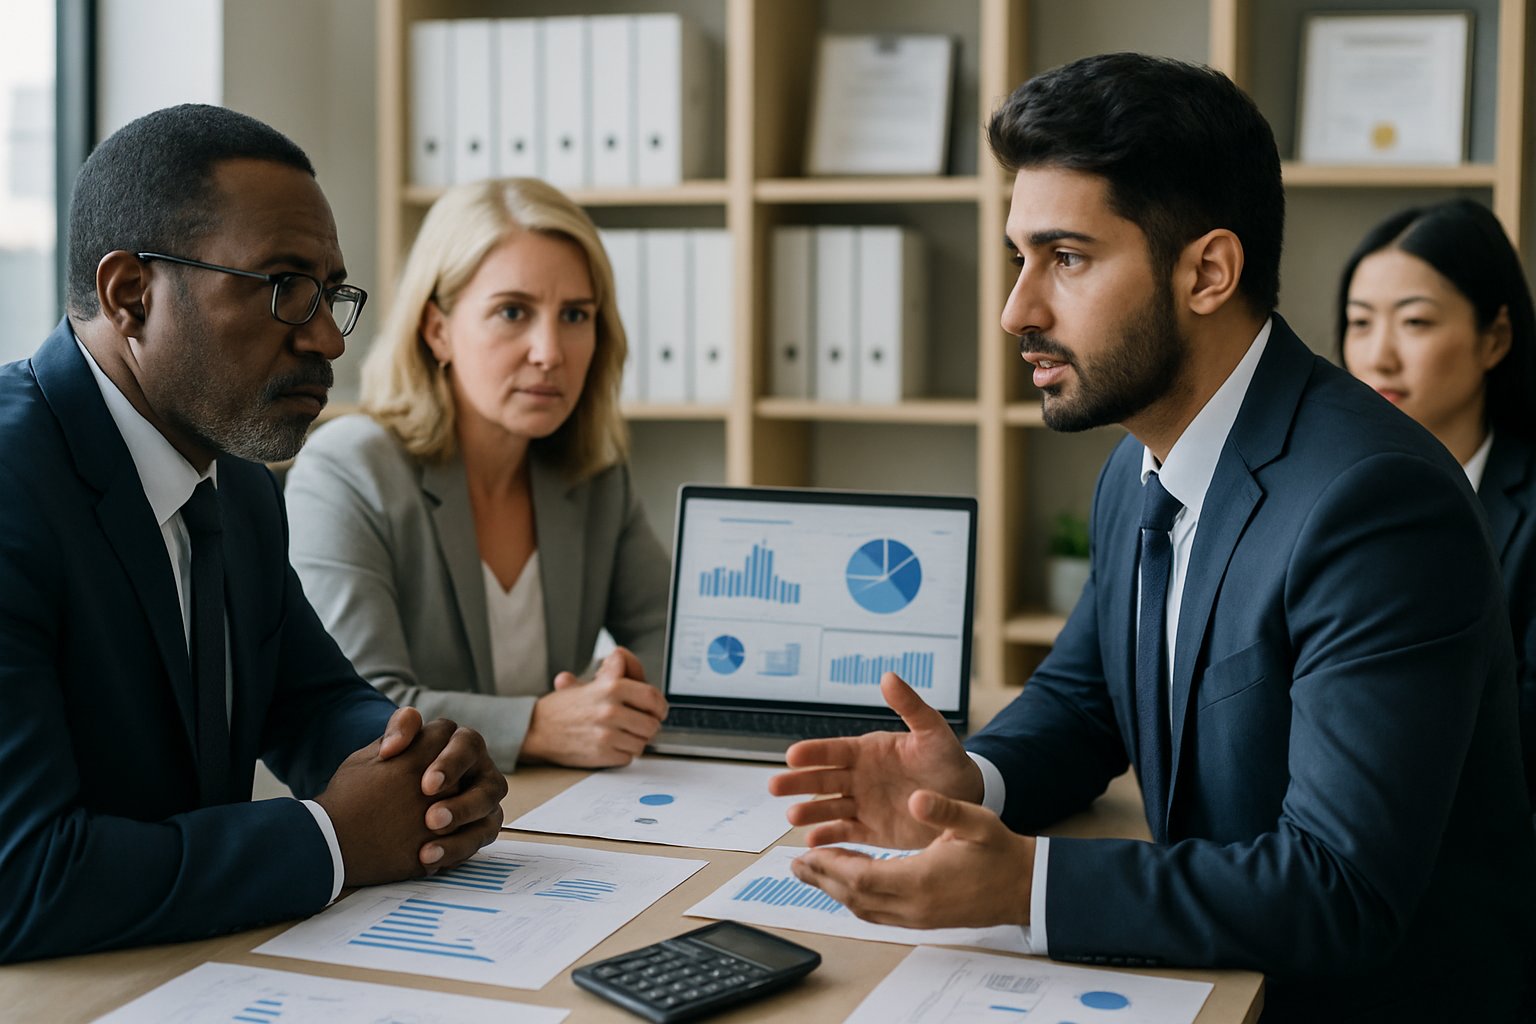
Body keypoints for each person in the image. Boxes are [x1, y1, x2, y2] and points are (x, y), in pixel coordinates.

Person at [769, 54, 1536, 1022]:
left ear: (1208, 271)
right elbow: (1085, 700)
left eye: (1068, 258)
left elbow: (1340, 889)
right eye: (1020, 258)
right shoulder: (1138, 466)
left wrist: (1025, 887)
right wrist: (975, 780)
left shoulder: (1376, 503)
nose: (1019, 311)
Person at [0, 104, 507, 964]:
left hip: (184, 967)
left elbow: (309, 702)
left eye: (330, 293)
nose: (324, 340)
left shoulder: (236, 478)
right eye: (282, 287)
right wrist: (333, 840)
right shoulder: (14, 484)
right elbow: (23, 880)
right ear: (132, 294)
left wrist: (420, 768)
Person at [284, 178, 669, 773]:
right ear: (437, 329)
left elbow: (673, 638)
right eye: (512, 312)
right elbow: (356, 712)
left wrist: (619, 688)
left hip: (560, 814)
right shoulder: (348, 471)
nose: (549, 351)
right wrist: (540, 725)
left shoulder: (594, 477)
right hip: (410, 831)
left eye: (575, 315)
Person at [1337, 198, 1536, 819]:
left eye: (1415, 323)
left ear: (1494, 338)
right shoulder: (1324, 491)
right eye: (1360, 322)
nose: (1378, 357)